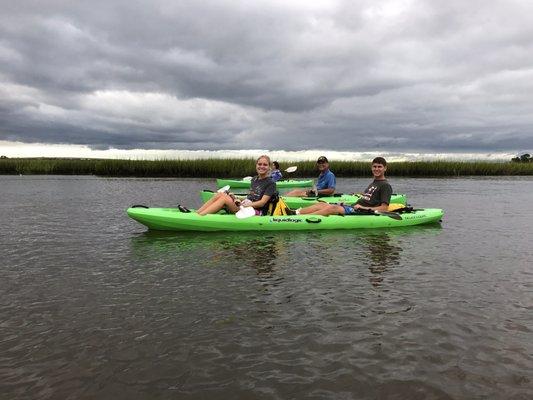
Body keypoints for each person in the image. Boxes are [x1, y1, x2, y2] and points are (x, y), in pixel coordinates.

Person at [287, 157, 392, 215]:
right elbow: (370, 197)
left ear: (385, 168)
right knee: (322, 204)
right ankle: (295, 212)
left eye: (379, 167)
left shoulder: (385, 186)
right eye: (374, 167)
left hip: (363, 211)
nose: (376, 169)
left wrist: (362, 207)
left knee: (333, 208)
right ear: (371, 167)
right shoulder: (374, 183)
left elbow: (384, 208)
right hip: (355, 207)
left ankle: (302, 219)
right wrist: (358, 195)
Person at [196, 155, 277, 216]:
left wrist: (245, 205)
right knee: (221, 194)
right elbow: (251, 197)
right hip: (246, 207)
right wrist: (236, 197)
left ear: (269, 167)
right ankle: (198, 213)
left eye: (265, 165)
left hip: (256, 212)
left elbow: (262, 203)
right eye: (259, 164)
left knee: (224, 198)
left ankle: (200, 217)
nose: (261, 166)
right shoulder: (254, 179)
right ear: (256, 165)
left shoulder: (271, 183)